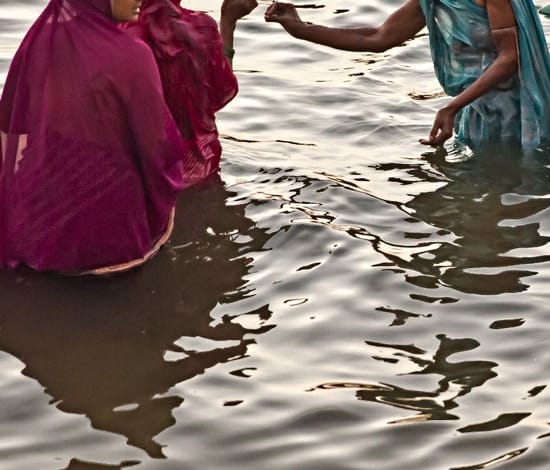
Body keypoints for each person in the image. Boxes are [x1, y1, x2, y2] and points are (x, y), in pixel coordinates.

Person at [0, 0, 256, 274]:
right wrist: (228, 23)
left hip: (48, 211)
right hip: (140, 206)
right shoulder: (153, 45)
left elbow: (19, 127)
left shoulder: (46, 41)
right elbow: (164, 142)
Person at [265, 0, 550, 150]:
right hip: (472, 111)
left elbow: (510, 57)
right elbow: (378, 38)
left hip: (516, 111)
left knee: (509, 195)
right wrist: (300, 29)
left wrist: (452, 106)